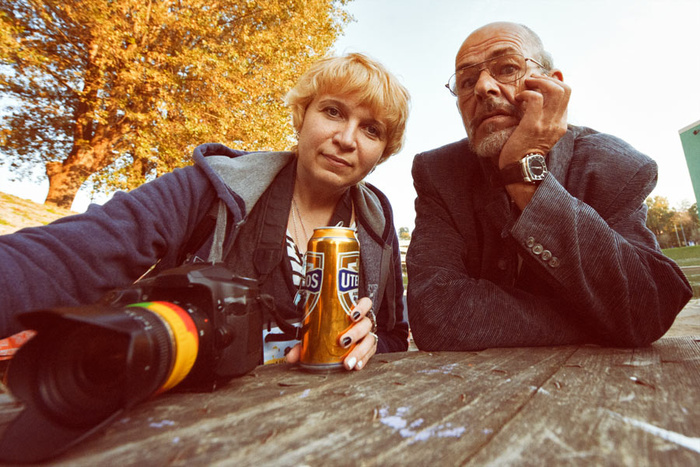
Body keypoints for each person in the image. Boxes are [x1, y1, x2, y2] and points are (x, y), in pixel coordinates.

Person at [0, 53, 411, 370]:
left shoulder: (376, 222)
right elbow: (68, 258)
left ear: (382, 153)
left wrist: (368, 341)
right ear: (302, 117)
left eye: (371, 129)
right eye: (333, 111)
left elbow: (394, 334)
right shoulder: (211, 187)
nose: (347, 138)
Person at [406, 22, 692, 351]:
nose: (483, 87)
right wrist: (595, 321)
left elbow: (648, 306)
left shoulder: (613, 165)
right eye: (467, 81)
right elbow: (436, 314)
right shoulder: (439, 173)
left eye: (507, 68)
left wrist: (523, 176)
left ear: (553, 85)